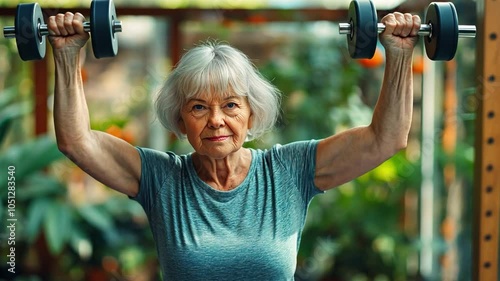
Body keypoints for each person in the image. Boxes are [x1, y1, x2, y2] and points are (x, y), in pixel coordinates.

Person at [48, 10, 420, 281]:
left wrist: (400, 55)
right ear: (180, 120)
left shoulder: (288, 171)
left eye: (230, 105)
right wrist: (66, 56)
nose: (215, 120)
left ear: (251, 114)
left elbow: (385, 139)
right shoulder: (161, 179)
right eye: (198, 107)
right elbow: (77, 141)